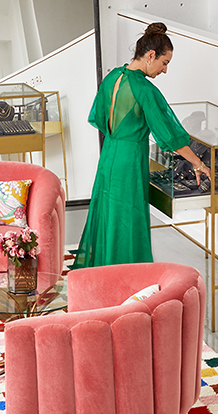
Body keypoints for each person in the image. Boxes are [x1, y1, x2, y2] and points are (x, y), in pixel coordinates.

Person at [73, 21, 210, 268]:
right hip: (130, 160)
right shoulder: (145, 90)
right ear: (150, 56)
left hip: (109, 155)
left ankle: (104, 269)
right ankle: (127, 275)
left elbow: (100, 118)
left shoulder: (113, 77)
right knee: (128, 218)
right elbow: (171, 137)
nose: (164, 70)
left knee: (109, 215)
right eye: (164, 62)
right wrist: (198, 162)